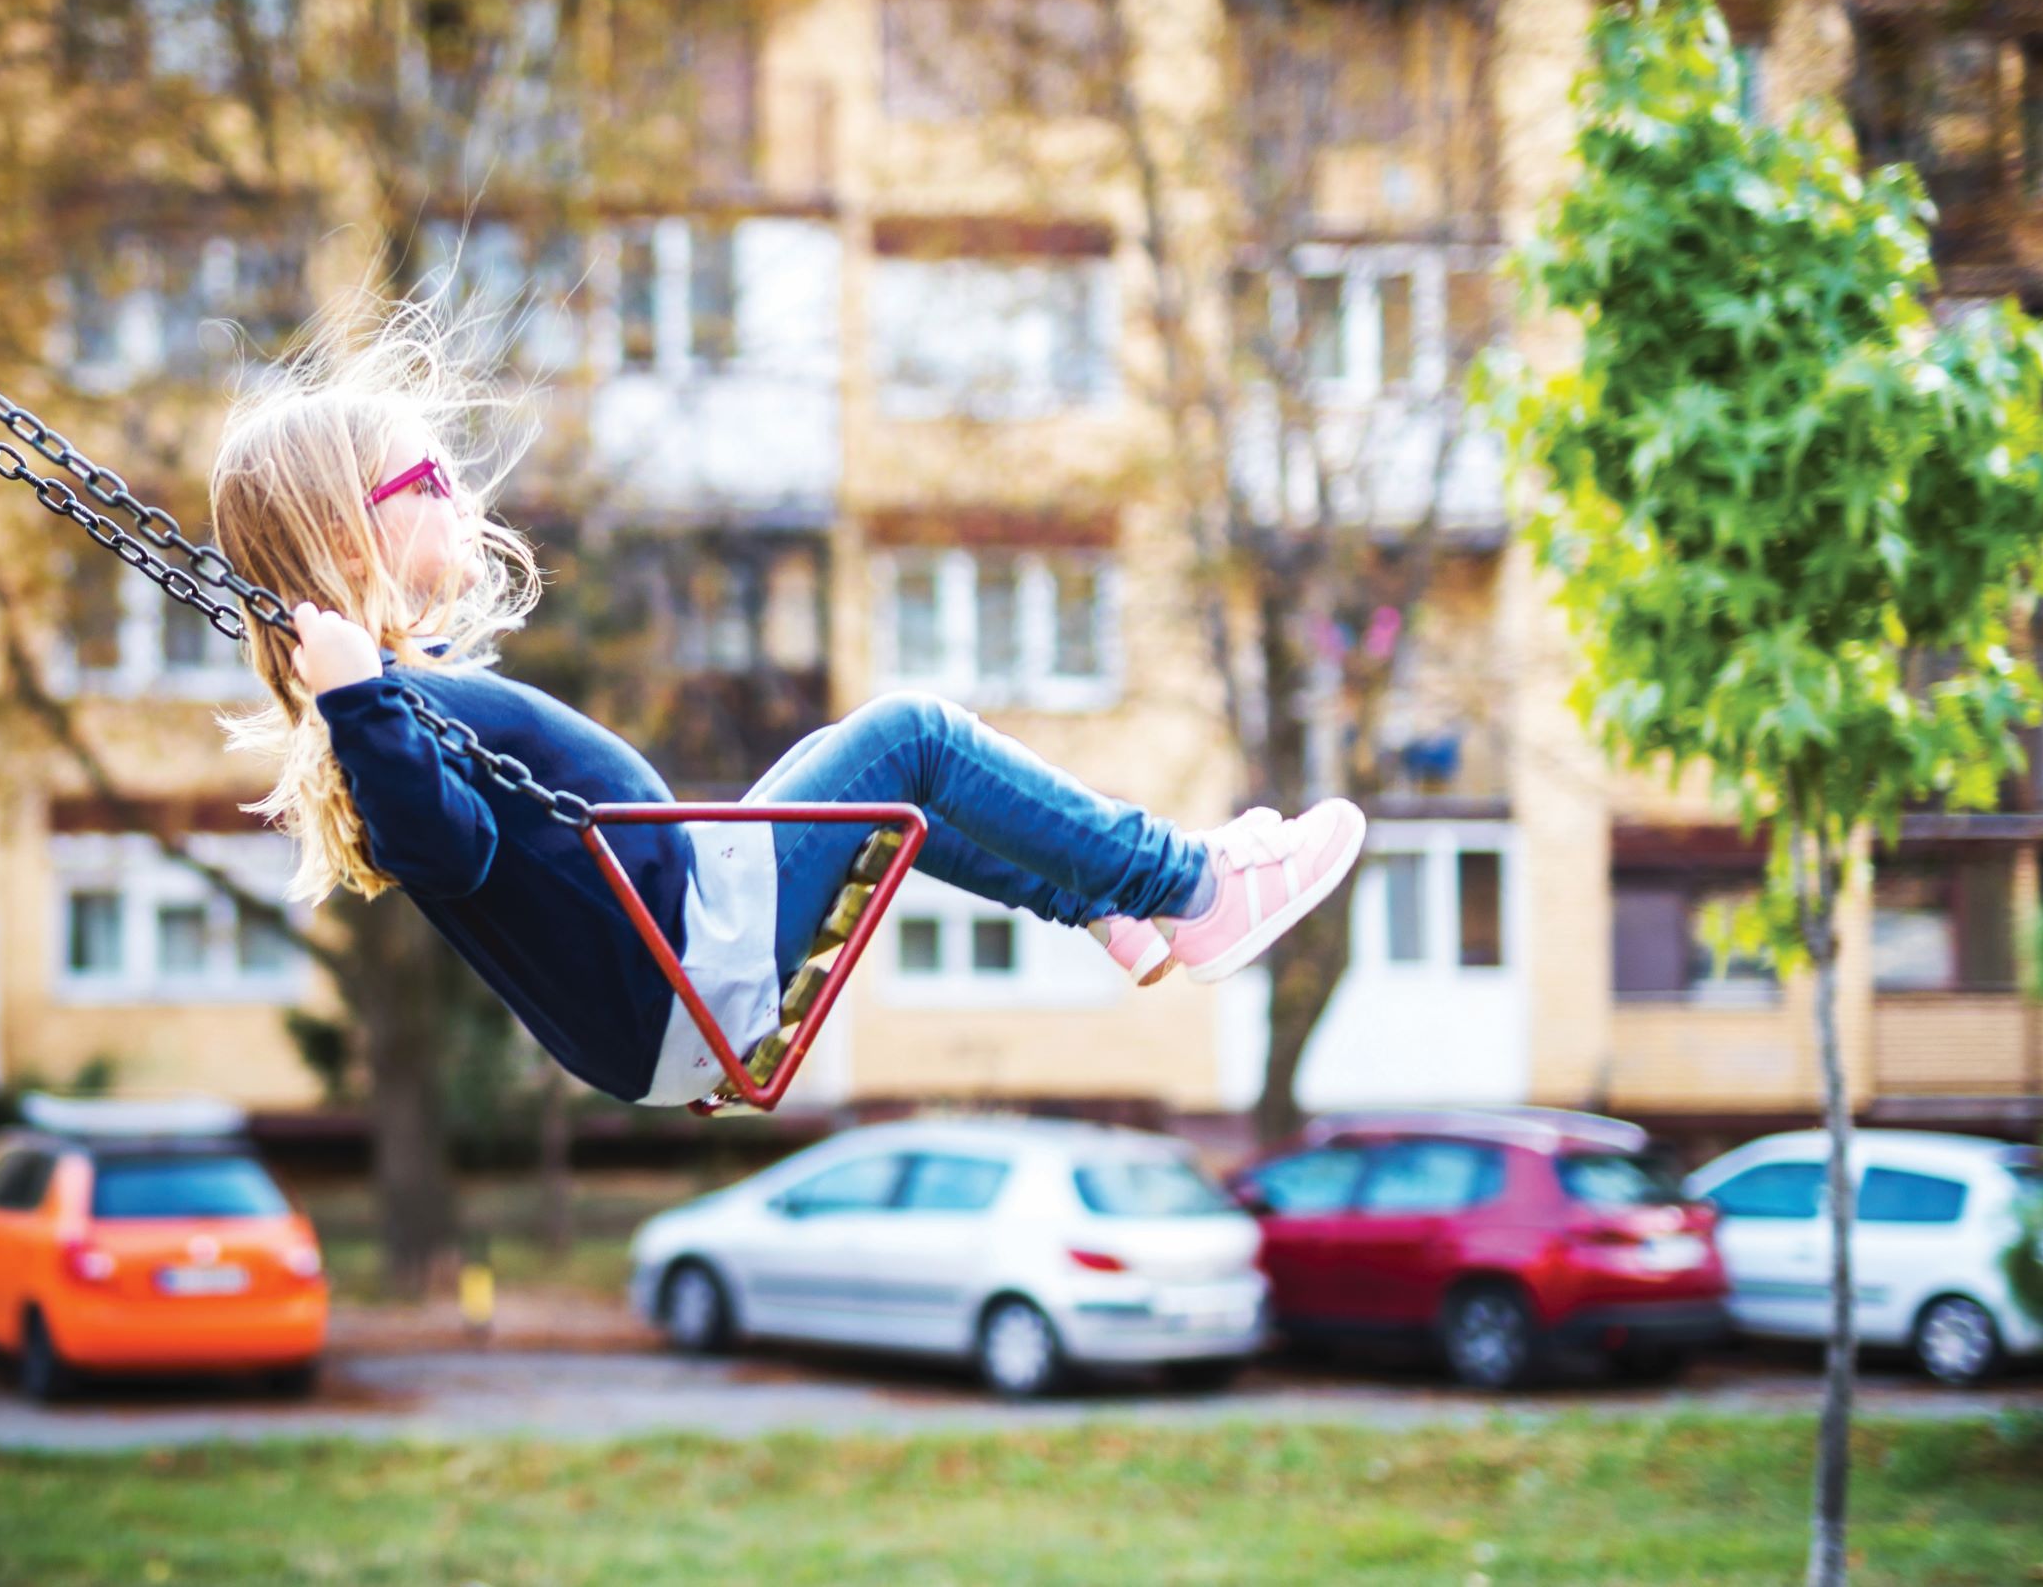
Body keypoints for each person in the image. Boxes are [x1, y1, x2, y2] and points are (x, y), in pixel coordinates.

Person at [210, 295, 1365, 1106]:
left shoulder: (407, 710)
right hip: (689, 967)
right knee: (907, 735)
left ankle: (1106, 903)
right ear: (350, 532)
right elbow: (443, 850)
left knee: (869, 781)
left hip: (687, 959)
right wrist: (358, 699)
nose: (461, 494)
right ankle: (1190, 887)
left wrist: (371, 702)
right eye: (427, 480)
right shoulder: (392, 715)